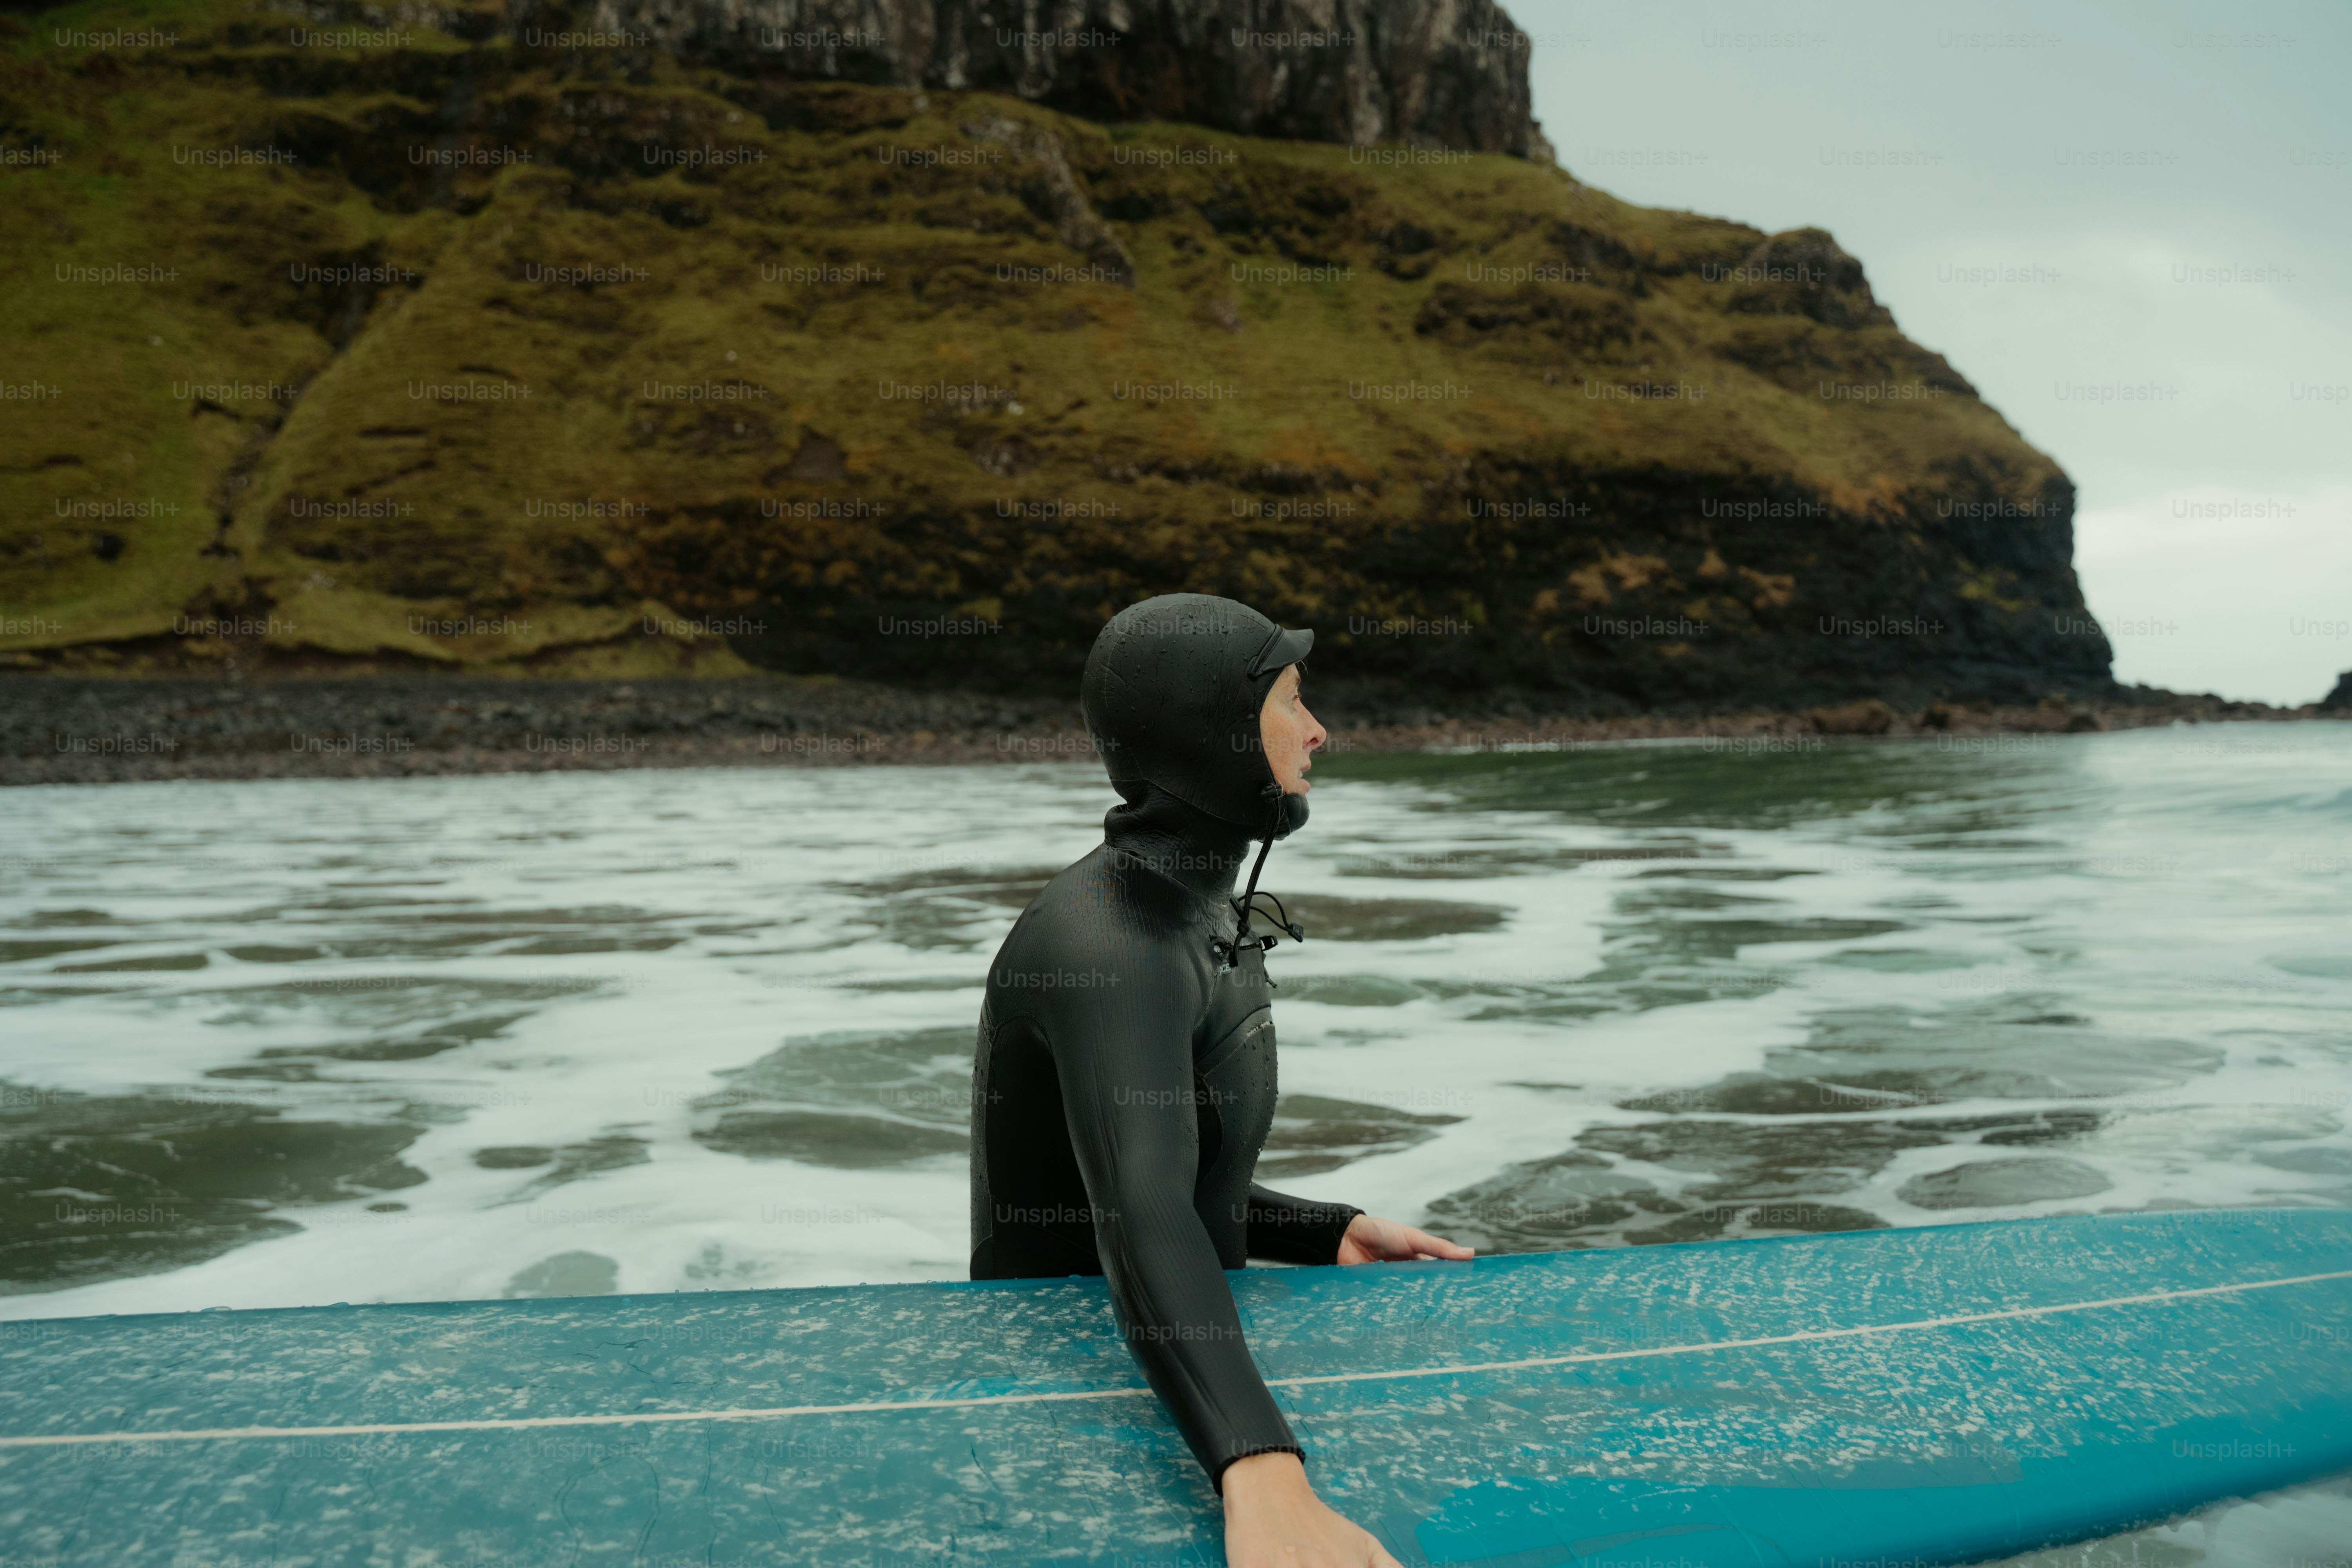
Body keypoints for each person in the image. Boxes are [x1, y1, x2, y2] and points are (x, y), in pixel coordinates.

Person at [970, 592, 1473, 1568]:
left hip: (1146, 1337)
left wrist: (1315, 1227)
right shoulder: (1111, 942)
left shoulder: (1190, 904)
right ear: (1216, 733)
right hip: (1060, 1381)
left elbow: (1126, 1163)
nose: (1319, 731)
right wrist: (1263, 1472)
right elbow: (1139, 1205)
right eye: (1290, 703)